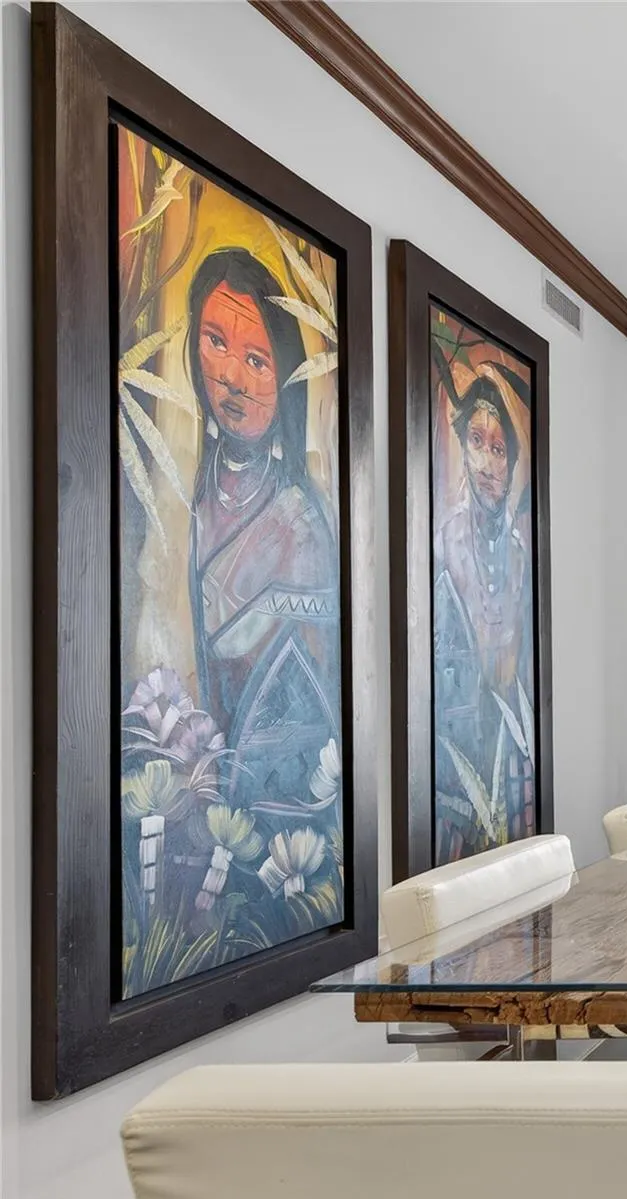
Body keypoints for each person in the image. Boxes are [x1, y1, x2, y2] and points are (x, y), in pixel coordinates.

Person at [183, 247, 342, 823]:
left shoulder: (299, 521)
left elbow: (316, 708)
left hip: (272, 819)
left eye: (257, 358)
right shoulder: (178, 497)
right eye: (215, 341)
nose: (230, 377)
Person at [431, 365, 534, 857]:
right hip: (455, 764)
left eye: (499, 448)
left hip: (512, 760)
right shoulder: (442, 547)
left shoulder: (518, 555)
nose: (488, 464)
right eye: (477, 441)